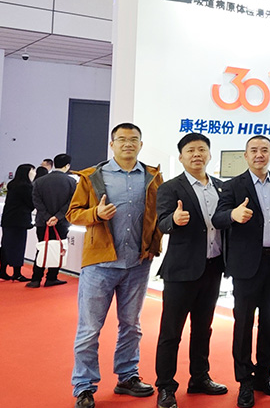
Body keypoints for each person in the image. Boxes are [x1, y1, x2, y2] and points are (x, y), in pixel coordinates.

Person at [66, 123, 164, 408]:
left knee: (132, 326)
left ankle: (127, 376)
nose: (128, 144)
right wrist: (96, 213)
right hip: (100, 263)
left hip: (137, 263)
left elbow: (157, 215)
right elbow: (73, 213)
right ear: (112, 144)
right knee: (89, 329)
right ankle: (84, 386)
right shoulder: (93, 176)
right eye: (122, 139)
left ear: (141, 144)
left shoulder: (152, 176)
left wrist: (154, 247)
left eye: (133, 139)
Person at [154, 133, 228, 408]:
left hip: (213, 267)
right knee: (171, 332)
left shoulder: (221, 187)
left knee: (203, 329)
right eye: (190, 150)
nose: (197, 154)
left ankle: (199, 377)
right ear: (181, 157)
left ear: (209, 154)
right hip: (181, 270)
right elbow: (161, 223)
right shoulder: (171, 187)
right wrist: (174, 220)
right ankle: (165, 386)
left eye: (201, 150)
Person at [212, 135, 270, 408]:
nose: (259, 154)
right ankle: (244, 380)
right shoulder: (232, 186)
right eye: (254, 150)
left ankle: (264, 375)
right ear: (245, 155)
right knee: (243, 323)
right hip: (246, 266)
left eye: (264, 150)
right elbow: (218, 218)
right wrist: (233, 215)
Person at [28, 153, 77, 287]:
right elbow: (71, 202)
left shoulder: (39, 181)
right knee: (58, 249)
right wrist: (57, 217)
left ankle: (36, 279)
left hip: (42, 222)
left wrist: (47, 217)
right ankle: (51, 277)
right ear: (67, 166)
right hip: (61, 222)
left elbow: (36, 201)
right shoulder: (72, 182)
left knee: (42, 248)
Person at [0, 163, 36, 282]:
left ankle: (3, 270)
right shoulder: (26, 187)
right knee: (18, 247)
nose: (34, 173)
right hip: (19, 221)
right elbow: (31, 203)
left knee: (6, 246)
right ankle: (17, 273)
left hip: (8, 220)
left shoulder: (13, 185)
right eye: (33, 171)